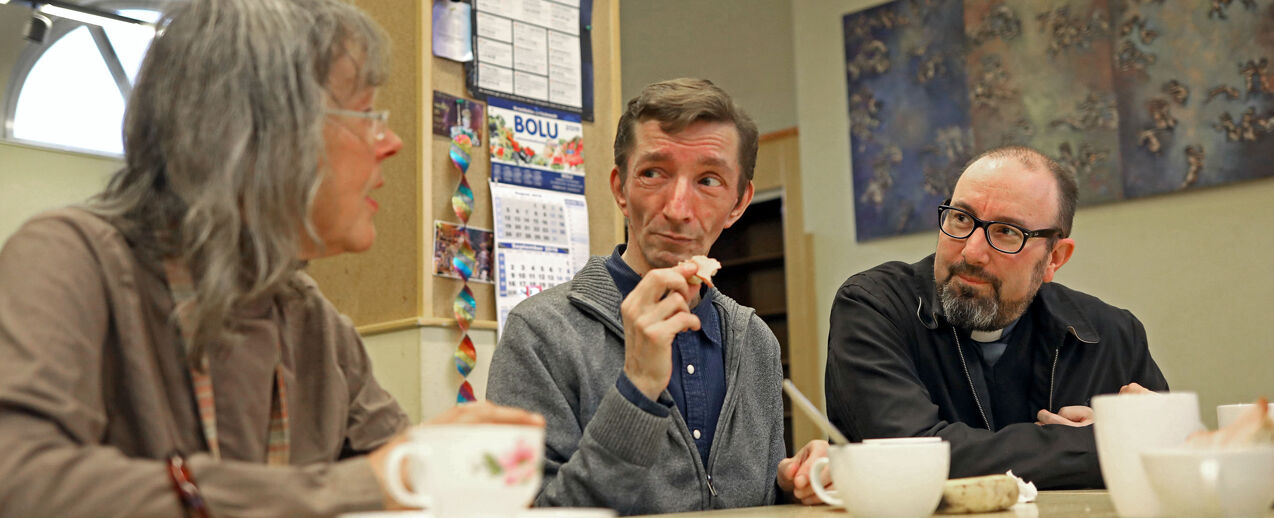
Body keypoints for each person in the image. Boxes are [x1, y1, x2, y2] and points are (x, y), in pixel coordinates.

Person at [0, 1, 540, 516]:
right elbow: (20, 483)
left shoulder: (313, 322)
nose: (392, 141)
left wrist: (453, 468)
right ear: (255, 133)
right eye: (365, 114)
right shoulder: (70, 259)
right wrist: (365, 485)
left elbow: (407, 489)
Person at [486, 78, 829, 515]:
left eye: (708, 180)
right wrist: (637, 391)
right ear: (620, 189)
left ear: (739, 203)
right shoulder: (540, 334)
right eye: (653, 174)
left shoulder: (755, 339)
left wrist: (792, 485)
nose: (678, 208)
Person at [825, 146, 1167, 489]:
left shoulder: (1113, 337)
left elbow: (1168, 464)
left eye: (1006, 232)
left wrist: (1154, 439)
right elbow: (909, 457)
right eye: (961, 218)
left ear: (1055, 258)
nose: (972, 252)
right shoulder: (875, 307)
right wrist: (1107, 443)